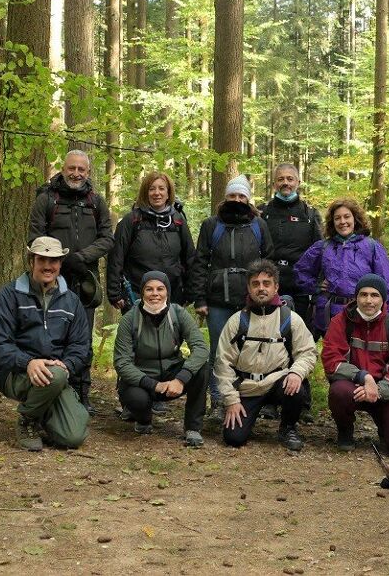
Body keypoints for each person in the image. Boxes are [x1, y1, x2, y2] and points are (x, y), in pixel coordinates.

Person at [28, 149, 114, 412]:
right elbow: (34, 238)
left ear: (88, 172)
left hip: (85, 280)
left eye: (81, 169)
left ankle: (81, 394)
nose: (76, 173)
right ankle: (51, 391)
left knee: (82, 339)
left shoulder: (96, 202)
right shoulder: (47, 199)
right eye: (72, 168)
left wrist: (82, 257)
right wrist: (58, 259)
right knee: (51, 335)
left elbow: (107, 238)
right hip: (52, 280)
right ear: (63, 169)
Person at [0, 237, 90, 452]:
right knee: (54, 376)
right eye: (41, 259)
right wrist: (28, 362)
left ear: (60, 263)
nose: (47, 266)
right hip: (15, 372)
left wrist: (68, 365)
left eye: (53, 260)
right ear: (31, 261)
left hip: (56, 375)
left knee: (73, 437)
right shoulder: (10, 295)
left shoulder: (71, 301)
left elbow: (81, 345)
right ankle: (27, 420)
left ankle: (42, 409)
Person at [190, 175, 274, 414]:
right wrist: (200, 298)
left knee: (250, 349)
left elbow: (268, 261)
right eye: (232, 195)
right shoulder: (211, 225)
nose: (236, 200)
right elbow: (200, 262)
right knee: (219, 350)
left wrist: (267, 296)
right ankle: (218, 399)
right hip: (218, 299)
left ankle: (247, 399)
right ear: (225, 197)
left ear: (248, 199)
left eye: (241, 196)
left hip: (251, 299)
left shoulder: (259, 225)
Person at [215, 260, 316, 451]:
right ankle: (243, 416)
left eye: (266, 283)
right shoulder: (237, 321)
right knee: (234, 438)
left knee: (297, 387)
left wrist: (296, 372)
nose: (261, 288)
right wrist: (231, 400)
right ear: (249, 288)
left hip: (278, 382)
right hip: (247, 387)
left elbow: (307, 352)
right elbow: (223, 363)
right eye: (255, 284)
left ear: (276, 287)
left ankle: (288, 428)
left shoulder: (290, 319)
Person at [321, 274, 389, 459]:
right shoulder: (340, 321)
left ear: (383, 299)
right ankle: (345, 430)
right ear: (356, 297)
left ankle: (385, 428)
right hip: (353, 387)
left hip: (384, 392)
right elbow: (331, 359)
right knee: (338, 392)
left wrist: (378, 390)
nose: (368, 300)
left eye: (374, 295)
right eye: (363, 294)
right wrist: (364, 377)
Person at [114, 271, 210, 447]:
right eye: (149, 289)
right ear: (142, 293)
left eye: (160, 289)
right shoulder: (130, 319)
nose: (155, 294)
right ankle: (143, 420)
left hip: (172, 375)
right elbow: (122, 362)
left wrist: (181, 379)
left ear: (167, 292)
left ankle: (192, 428)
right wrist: (154, 385)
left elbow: (201, 348)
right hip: (142, 377)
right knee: (136, 398)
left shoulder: (178, 313)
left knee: (202, 369)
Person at [293, 197, 389, 337]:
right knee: (333, 350)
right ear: (332, 222)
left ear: (355, 219)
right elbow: (300, 272)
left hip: (364, 314)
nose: (342, 222)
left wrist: (385, 315)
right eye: (337, 218)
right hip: (329, 316)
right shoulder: (323, 247)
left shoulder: (372, 247)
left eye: (347, 216)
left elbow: (387, 283)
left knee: (360, 351)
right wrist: (316, 285)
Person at [107, 171, 196, 310]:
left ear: (168, 193)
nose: (157, 193)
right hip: (136, 295)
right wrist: (115, 293)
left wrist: (191, 292)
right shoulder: (131, 221)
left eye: (161, 188)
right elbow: (116, 257)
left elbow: (189, 257)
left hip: (172, 295)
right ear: (145, 193)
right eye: (152, 189)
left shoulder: (178, 221)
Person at [257, 163, 323, 325]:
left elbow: (321, 251)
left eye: (290, 179)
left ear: (298, 182)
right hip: (269, 283)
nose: (285, 183)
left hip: (301, 285)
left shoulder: (310, 214)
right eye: (281, 179)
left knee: (300, 333)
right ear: (274, 184)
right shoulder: (262, 213)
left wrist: (320, 281)